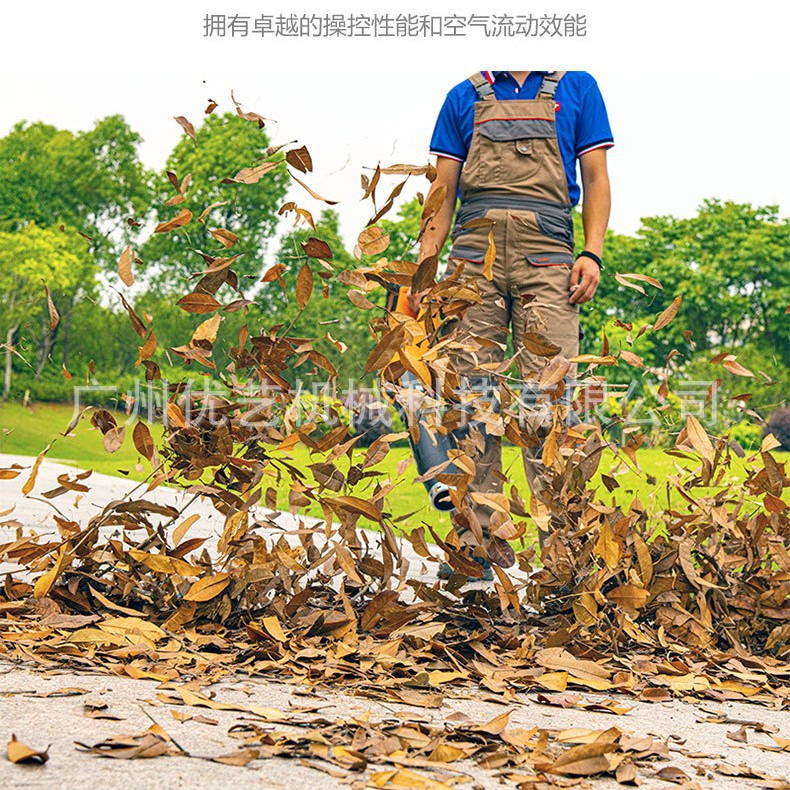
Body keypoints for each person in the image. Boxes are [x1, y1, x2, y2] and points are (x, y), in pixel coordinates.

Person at [413, 70, 613, 580]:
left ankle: (564, 565)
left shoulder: (577, 88)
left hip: (548, 254)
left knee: (549, 406)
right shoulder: (463, 94)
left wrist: (592, 250)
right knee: (470, 404)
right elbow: (443, 190)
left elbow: (594, 176)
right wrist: (425, 270)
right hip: (471, 255)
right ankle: (478, 558)